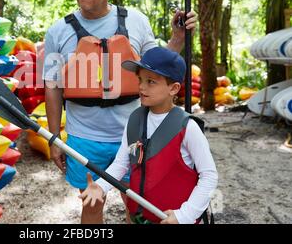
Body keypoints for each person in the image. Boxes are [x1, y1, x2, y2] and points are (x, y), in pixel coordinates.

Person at [42, 0, 197, 224]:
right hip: (83, 138)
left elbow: (158, 67)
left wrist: (178, 38)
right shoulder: (58, 31)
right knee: (92, 204)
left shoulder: (136, 21)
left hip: (134, 136)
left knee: (136, 209)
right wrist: (54, 137)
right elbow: (52, 87)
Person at [79, 47, 218, 224]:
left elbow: (209, 176)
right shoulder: (135, 120)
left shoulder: (188, 127)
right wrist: (100, 186)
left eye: (151, 81)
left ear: (173, 88)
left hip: (175, 219)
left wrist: (184, 215)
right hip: (141, 219)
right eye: (140, 80)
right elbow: (122, 163)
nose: (142, 87)